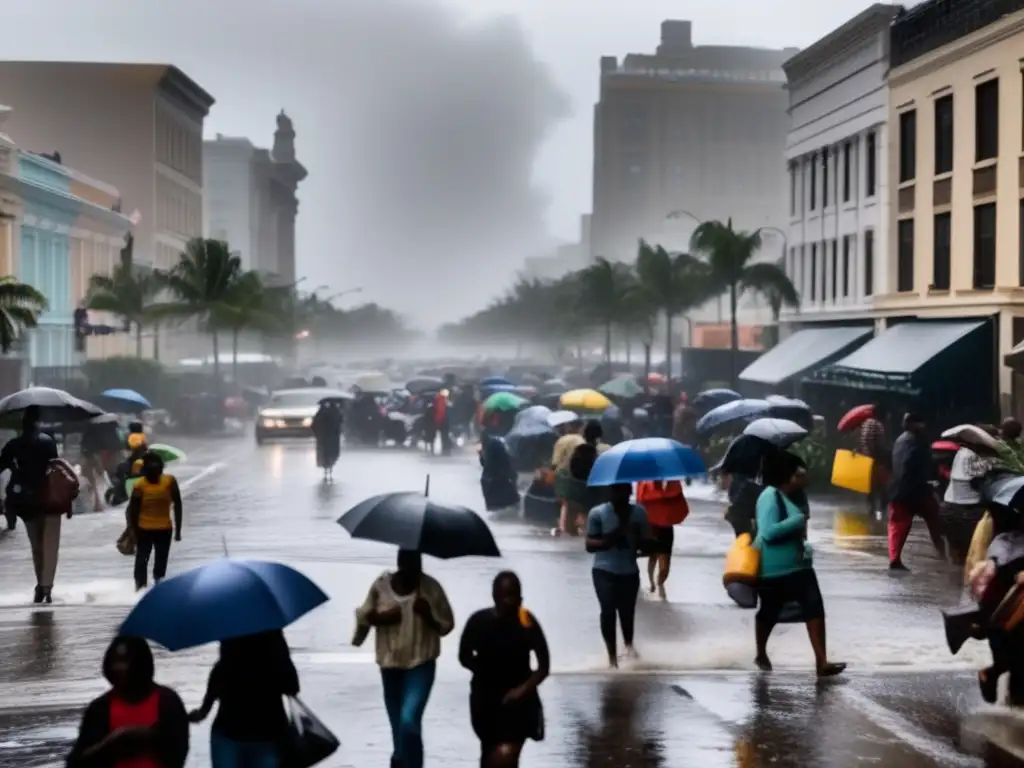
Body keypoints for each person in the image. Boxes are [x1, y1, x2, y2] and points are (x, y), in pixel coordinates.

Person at [353, 549, 455, 768]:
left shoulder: (431, 588)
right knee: (398, 730)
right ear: (399, 564)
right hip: (390, 666)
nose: (412, 572)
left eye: (416, 566)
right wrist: (381, 618)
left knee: (409, 720)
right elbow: (364, 616)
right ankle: (400, 761)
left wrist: (428, 615)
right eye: (408, 566)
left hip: (421, 663)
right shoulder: (380, 586)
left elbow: (447, 625)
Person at [753, 452, 845, 677]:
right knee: (769, 612)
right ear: (789, 475)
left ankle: (821, 661)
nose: (805, 476)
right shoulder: (769, 497)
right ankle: (761, 653)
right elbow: (768, 532)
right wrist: (797, 520)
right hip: (774, 569)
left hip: (799, 567)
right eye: (800, 472)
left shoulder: (791, 497)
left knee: (814, 607)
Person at [459, 571, 549, 768]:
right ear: (494, 597)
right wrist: (484, 670)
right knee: (489, 752)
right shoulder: (478, 622)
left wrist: (522, 691)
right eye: (506, 596)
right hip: (485, 701)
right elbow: (463, 656)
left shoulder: (527, 622)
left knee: (507, 754)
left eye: (515, 596)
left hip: (519, 702)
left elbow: (544, 667)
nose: (511, 601)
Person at [67, 635, 189, 768]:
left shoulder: (167, 701)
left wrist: (150, 737)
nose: (118, 668)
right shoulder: (100, 708)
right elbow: (76, 762)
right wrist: (111, 742)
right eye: (114, 661)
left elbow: (179, 753)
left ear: (141, 663)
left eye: (125, 661)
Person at [189, 630, 299, 767]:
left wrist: (195, 715)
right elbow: (293, 689)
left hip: (229, 733)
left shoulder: (226, 662)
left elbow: (207, 704)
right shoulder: (277, 660)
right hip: (269, 734)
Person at [585, 483, 651, 668]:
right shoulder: (597, 513)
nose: (619, 494)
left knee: (627, 613)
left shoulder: (639, 513)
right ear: (608, 492)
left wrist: (639, 538)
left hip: (629, 571)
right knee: (607, 611)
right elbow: (589, 545)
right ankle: (612, 659)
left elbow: (648, 544)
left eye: (623, 490)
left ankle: (629, 649)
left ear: (630, 492)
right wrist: (613, 536)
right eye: (615, 490)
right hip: (603, 570)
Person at [0, 405, 61, 602]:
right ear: (39, 422)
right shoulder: (48, 442)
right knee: (49, 544)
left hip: (25, 500)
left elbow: (1, 465)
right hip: (48, 498)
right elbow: (55, 466)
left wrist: (14, 466)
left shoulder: (13, 445)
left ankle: (40, 585)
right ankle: (46, 586)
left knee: (36, 545)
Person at [888, 412, 945, 571]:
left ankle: (894, 558)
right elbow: (914, 465)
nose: (924, 426)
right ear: (915, 424)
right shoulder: (917, 441)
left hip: (900, 491)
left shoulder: (899, 440)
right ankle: (944, 554)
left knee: (897, 526)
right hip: (916, 491)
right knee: (935, 521)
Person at [127, 452, 183, 591]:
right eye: (150, 469)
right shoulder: (139, 485)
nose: (154, 472)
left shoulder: (169, 481)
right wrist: (133, 530)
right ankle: (140, 590)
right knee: (141, 562)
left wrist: (178, 530)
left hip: (164, 529)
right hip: (144, 529)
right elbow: (133, 510)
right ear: (145, 470)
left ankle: (157, 589)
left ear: (161, 468)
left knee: (160, 564)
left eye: (156, 468)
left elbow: (178, 504)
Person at [636, 480, 689, 600]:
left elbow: (679, 501)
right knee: (653, 555)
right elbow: (640, 501)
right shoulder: (644, 482)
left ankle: (660, 583)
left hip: (666, 526)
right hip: (652, 525)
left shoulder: (672, 483)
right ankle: (652, 583)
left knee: (665, 563)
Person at [551, 419, 585, 535]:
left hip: (561, 475)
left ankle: (562, 526)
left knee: (564, 502)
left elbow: (555, 462)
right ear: (581, 427)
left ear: (569, 427)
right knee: (576, 502)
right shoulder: (582, 441)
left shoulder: (561, 440)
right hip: (577, 475)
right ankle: (577, 526)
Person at [859, 403, 890, 516]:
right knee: (882, 486)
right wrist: (880, 457)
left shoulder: (866, 423)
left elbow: (864, 441)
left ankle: (872, 509)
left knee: (871, 486)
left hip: (866, 459)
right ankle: (881, 510)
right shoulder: (877, 425)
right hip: (874, 459)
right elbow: (876, 444)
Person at [311, 399, 343, 482]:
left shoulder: (320, 413)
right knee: (332, 453)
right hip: (334, 438)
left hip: (323, 437)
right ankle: (330, 467)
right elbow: (340, 424)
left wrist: (317, 434)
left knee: (324, 453)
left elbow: (314, 425)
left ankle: (326, 469)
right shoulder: (337, 412)